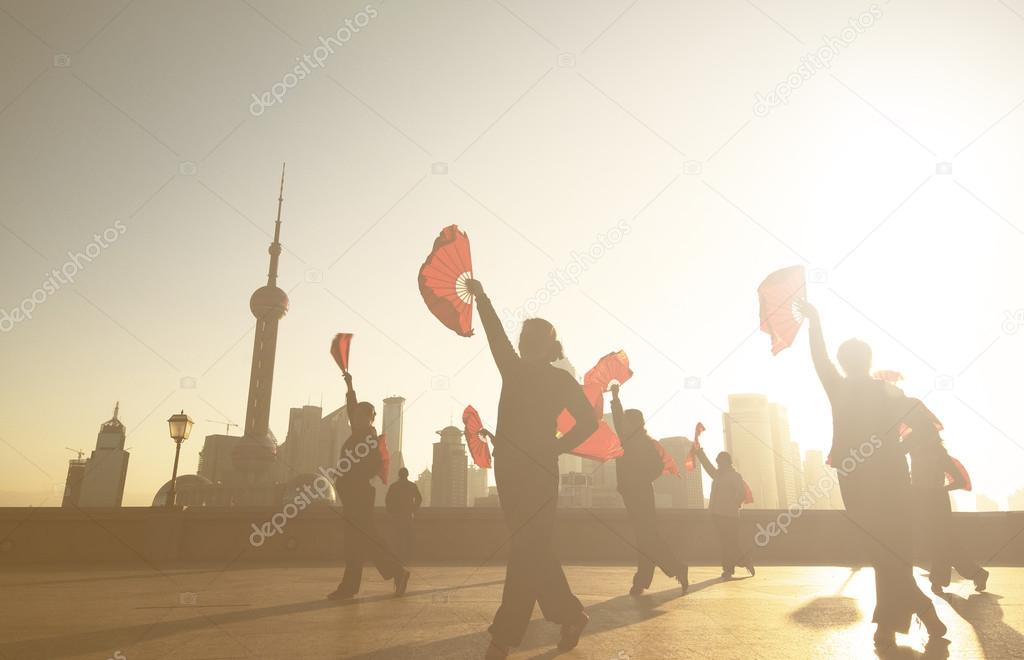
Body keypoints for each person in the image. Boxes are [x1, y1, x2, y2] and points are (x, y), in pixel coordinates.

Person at [797, 300, 945, 649]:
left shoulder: (838, 387)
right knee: (892, 553)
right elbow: (926, 427)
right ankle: (898, 623)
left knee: (883, 554)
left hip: (857, 480)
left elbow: (820, 358)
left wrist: (814, 321)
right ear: (868, 361)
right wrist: (899, 450)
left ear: (846, 362)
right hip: (893, 478)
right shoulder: (886, 391)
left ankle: (911, 618)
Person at [465, 278, 598, 660]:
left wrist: (556, 447)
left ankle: (503, 639)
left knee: (525, 550)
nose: (521, 346)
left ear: (544, 345)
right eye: (521, 341)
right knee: (534, 550)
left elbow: (588, 423)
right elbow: (494, 336)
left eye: (528, 341)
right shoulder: (521, 371)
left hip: (535, 474)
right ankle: (571, 615)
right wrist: (483, 297)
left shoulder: (548, 377)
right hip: (514, 472)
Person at [327, 371, 410, 600]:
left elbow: (368, 468)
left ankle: (354, 585)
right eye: (354, 416)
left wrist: (347, 472)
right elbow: (352, 405)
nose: (354, 418)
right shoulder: (358, 435)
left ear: (369, 419)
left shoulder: (369, 439)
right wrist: (349, 384)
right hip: (354, 494)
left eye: (359, 416)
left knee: (358, 540)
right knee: (364, 540)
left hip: (360, 495)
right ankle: (394, 573)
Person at [901, 399, 988, 596]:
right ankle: (974, 573)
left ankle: (941, 579)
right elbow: (957, 480)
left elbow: (897, 451)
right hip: (933, 498)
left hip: (927, 499)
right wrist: (941, 489)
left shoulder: (915, 443)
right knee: (943, 540)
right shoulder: (936, 450)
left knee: (939, 540)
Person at [609, 383, 689, 595]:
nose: (623, 423)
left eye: (627, 420)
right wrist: (616, 397)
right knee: (644, 536)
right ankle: (643, 581)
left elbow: (656, 467)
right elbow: (617, 418)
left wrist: (638, 480)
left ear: (635, 423)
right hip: (633, 493)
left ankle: (674, 568)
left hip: (641, 494)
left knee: (647, 536)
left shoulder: (643, 443)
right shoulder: (630, 439)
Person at [693, 442, 754, 578]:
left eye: (720, 462)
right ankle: (735, 566)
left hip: (730, 516)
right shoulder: (718, 475)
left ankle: (736, 565)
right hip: (717, 514)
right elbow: (708, 467)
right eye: (718, 462)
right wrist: (699, 453)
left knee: (730, 542)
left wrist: (732, 504)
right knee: (725, 543)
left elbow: (741, 493)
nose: (718, 464)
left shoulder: (734, 476)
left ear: (727, 462)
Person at [386, 467, 423, 564]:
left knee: (398, 537)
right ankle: (407, 557)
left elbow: (388, 500)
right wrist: (414, 509)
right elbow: (419, 499)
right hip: (408, 515)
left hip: (397, 516)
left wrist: (391, 511)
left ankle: (398, 557)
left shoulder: (394, 486)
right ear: (407, 475)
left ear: (399, 475)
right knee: (408, 537)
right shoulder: (412, 486)